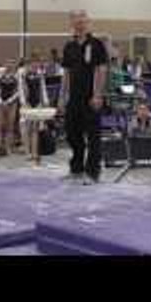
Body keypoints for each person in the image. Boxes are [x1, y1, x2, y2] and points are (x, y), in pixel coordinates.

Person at [59, 10, 109, 184]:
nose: (79, 24)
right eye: (76, 21)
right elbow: (66, 73)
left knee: (93, 136)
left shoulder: (96, 44)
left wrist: (98, 95)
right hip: (74, 98)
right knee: (72, 133)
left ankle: (92, 172)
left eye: (82, 21)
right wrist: (62, 96)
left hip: (91, 97)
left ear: (88, 22)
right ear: (72, 24)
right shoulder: (69, 46)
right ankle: (77, 168)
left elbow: (101, 70)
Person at [0, 60, 21, 158]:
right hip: (0, 103)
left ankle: (8, 149)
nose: (10, 65)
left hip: (12, 104)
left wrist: (9, 101)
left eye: (12, 63)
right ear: (5, 64)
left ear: (14, 65)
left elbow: (18, 91)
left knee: (10, 127)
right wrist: (0, 101)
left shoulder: (16, 76)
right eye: (8, 63)